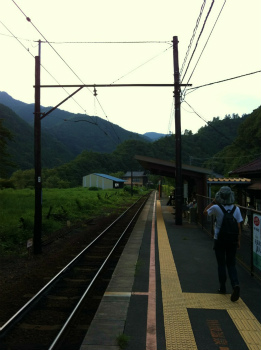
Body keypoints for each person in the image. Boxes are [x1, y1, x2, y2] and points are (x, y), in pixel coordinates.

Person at [203, 186, 243, 302]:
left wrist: (213, 202)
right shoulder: (236, 209)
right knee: (231, 264)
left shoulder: (216, 207)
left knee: (221, 264)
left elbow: (205, 212)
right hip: (232, 240)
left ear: (219, 196)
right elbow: (239, 226)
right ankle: (235, 284)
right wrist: (239, 240)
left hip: (219, 239)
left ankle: (223, 287)